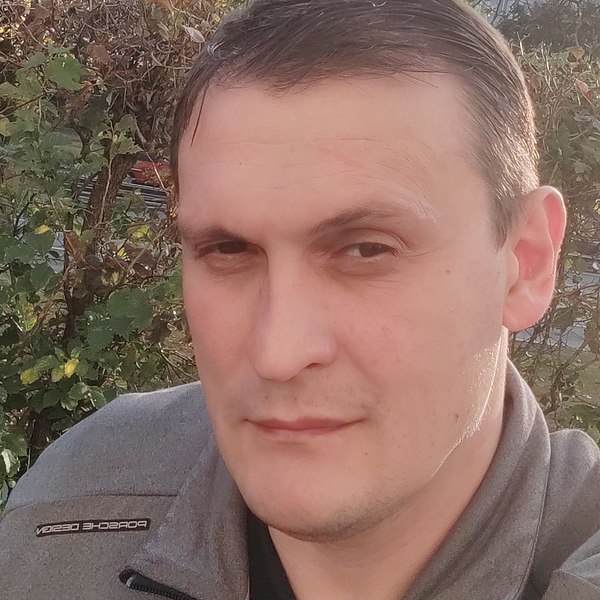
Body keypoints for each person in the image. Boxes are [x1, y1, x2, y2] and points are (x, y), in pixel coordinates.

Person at [1, 0, 599, 598]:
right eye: (227, 249)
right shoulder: (66, 511)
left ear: (525, 264)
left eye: (367, 250)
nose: (278, 354)